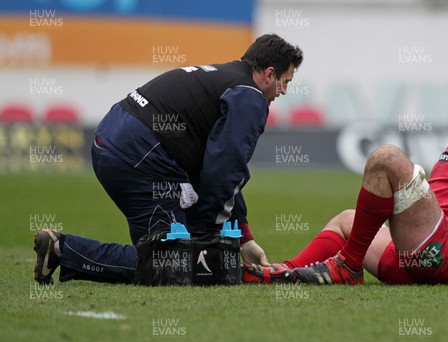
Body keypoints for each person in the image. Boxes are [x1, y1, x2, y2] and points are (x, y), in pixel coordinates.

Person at [33, 34, 303, 285]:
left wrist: (243, 238)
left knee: (169, 249)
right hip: (139, 153)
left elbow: (220, 167)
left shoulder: (227, 77)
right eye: (286, 81)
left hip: (115, 140)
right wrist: (209, 232)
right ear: (269, 74)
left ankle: (63, 250)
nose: (284, 91)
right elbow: (225, 169)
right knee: (172, 262)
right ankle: (61, 249)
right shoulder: (250, 97)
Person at [245, 70, 448, 288]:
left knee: (387, 158)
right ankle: (281, 271)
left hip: (444, 253)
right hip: (416, 259)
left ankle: (348, 266)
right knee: (345, 220)